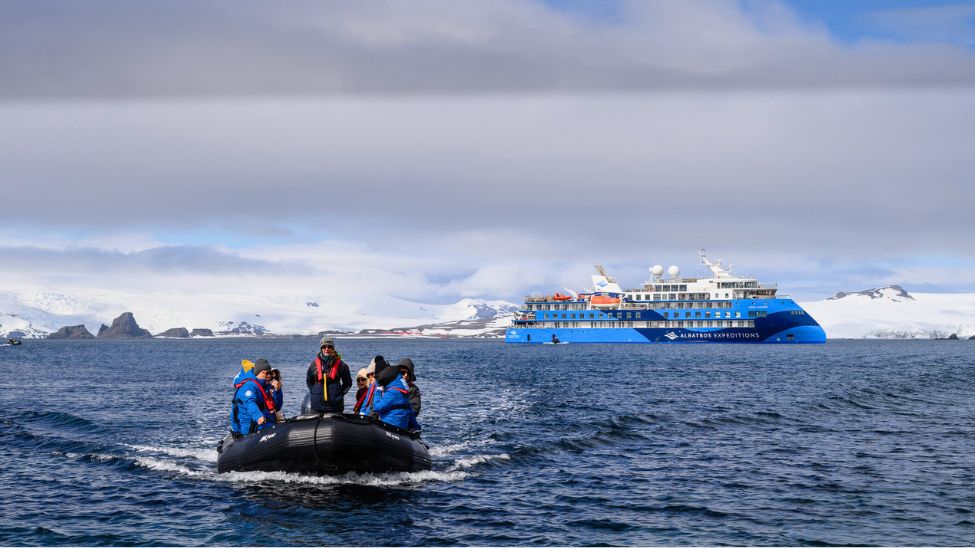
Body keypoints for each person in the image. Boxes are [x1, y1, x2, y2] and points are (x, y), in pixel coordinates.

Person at [305, 336, 352, 413]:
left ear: (333, 348)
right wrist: (314, 392)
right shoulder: (313, 365)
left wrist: (339, 394)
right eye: (324, 347)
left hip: (335, 406)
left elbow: (348, 383)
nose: (327, 349)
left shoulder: (342, 365)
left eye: (329, 347)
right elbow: (309, 381)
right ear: (321, 348)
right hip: (317, 406)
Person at [230, 358, 276, 437]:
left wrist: (278, 391)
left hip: (265, 423)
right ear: (258, 373)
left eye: (270, 373)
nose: (269, 376)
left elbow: (277, 406)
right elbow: (250, 403)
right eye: (266, 373)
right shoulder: (249, 386)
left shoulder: (266, 386)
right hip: (250, 427)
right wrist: (258, 417)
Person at [372, 360, 420, 431]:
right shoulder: (404, 392)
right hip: (401, 426)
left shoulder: (393, 391)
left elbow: (377, 407)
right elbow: (409, 411)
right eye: (403, 373)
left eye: (408, 373)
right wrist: (416, 427)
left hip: (390, 425)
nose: (406, 375)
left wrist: (378, 391)